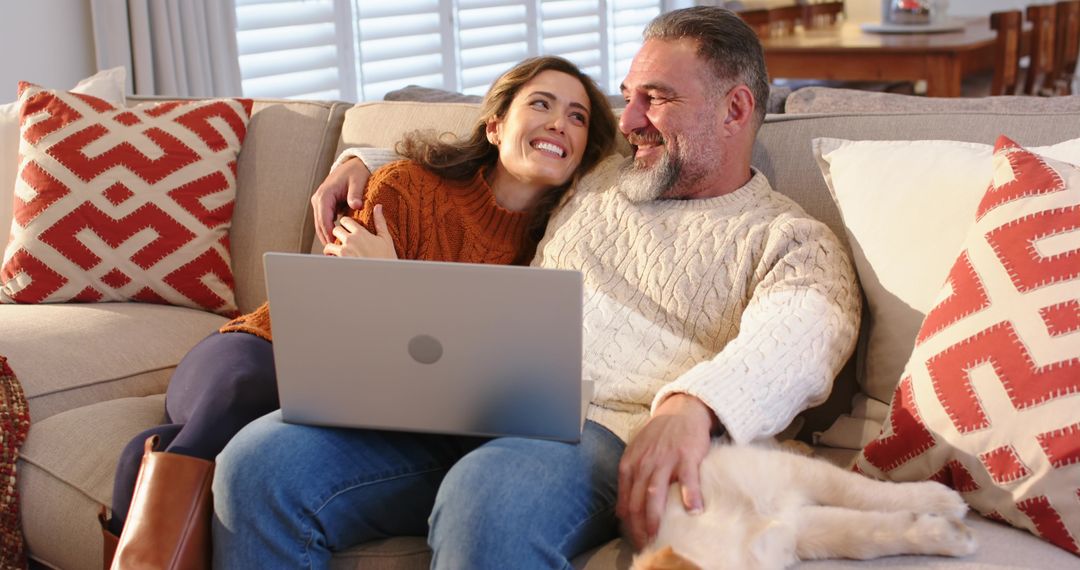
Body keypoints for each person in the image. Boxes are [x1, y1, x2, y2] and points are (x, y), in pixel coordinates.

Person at [212, 6, 861, 568]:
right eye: (627, 94)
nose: (627, 117)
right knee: (261, 461)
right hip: (471, 401)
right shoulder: (601, 179)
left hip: (598, 434)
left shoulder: (785, 236)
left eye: (655, 99)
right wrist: (357, 160)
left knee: (490, 493)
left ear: (736, 108)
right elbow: (495, 161)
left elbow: (804, 332)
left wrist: (692, 406)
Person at [101, 55, 617, 568]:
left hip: (366, 399)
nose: (558, 122)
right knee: (245, 395)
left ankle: (149, 471)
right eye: (542, 104)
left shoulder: (559, 245)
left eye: (577, 117)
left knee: (169, 451)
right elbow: (340, 331)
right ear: (495, 125)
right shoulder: (405, 186)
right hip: (259, 351)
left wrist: (393, 280)